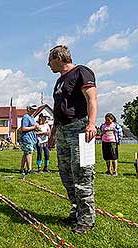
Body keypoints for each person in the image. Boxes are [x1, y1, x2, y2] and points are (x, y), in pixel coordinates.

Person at [47, 45, 98, 234]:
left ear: (58, 58)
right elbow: (58, 109)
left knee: (82, 174)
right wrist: (53, 133)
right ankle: (76, 211)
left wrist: (91, 124)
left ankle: (87, 219)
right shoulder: (59, 81)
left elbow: (91, 98)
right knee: (66, 174)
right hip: (62, 131)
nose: (48, 65)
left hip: (80, 128)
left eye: (49, 61)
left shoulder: (81, 72)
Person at [19, 104, 39, 175]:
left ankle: (22, 169)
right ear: (29, 109)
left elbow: (32, 127)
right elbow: (23, 128)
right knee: (29, 153)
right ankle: (29, 169)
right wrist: (34, 127)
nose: (34, 111)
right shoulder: (26, 117)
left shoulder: (32, 117)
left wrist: (36, 128)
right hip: (26, 138)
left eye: (35, 110)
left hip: (31, 138)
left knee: (26, 153)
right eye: (33, 110)